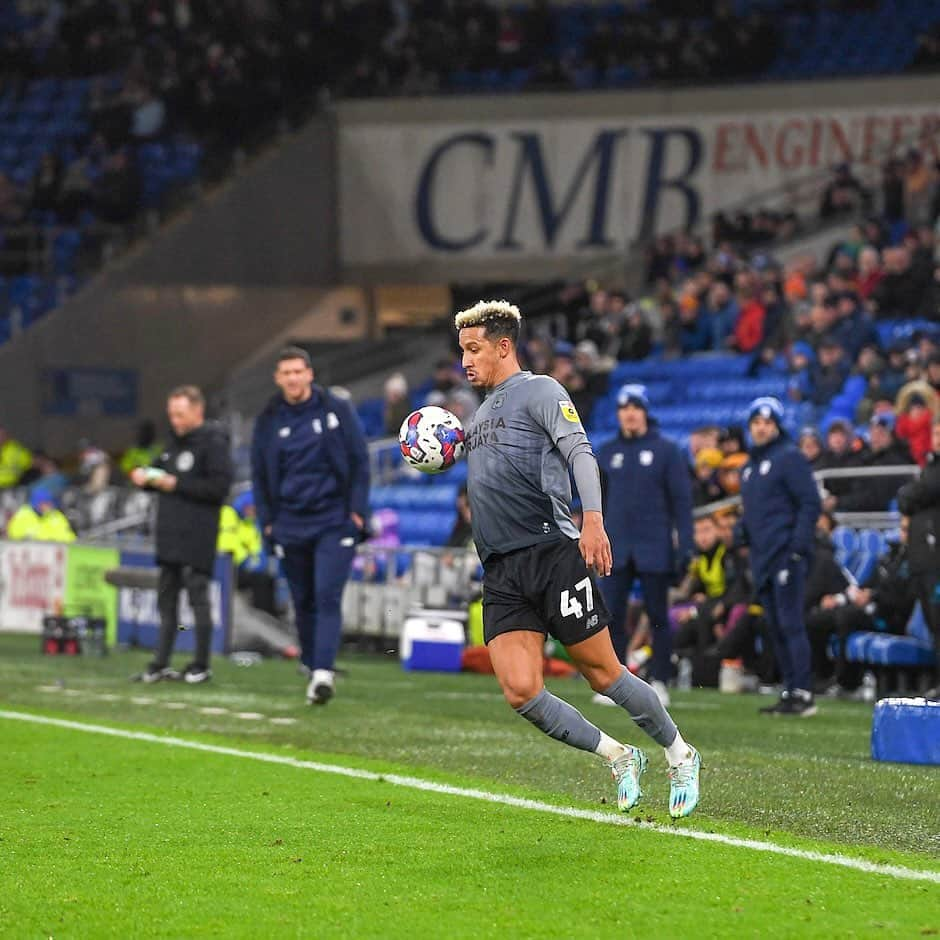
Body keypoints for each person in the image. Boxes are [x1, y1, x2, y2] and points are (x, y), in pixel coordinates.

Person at [456, 299, 700, 819]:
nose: (465, 362)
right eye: (462, 352)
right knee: (521, 691)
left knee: (604, 675)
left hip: (550, 552)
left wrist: (592, 520)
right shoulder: (478, 415)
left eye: (474, 350)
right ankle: (618, 754)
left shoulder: (541, 390)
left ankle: (680, 752)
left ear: (504, 346)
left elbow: (580, 452)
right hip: (501, 568)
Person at [251, 346, 370, 705]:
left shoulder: (336, 408)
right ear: (278, 378)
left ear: (309, 374)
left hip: (334, 519)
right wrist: (268, 522)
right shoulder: (269, 418)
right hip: (289, 522)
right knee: (301, 599)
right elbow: (259, 473)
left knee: (326, 595)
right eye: (285, 373)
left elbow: (360, 460)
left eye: (298, 371)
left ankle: (322, 673)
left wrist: (357, 512)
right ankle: (310, 661)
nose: (292, 378)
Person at [595, 384, 694, 706]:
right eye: (624, 408)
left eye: (636, 407)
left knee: (657, 616)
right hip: (617, 546)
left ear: (645, 412)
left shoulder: (667, 450)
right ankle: (615, 680)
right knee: (612, 614)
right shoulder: (607, 452)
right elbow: (596, 502)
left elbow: (682, 502)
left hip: (655, 545)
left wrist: (686, 546)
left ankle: (660, 679)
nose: (630, 414)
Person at [130, 385, 233, 684]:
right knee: (166, 602)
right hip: (170, 535)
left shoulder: (213, 444)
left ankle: (202, 663)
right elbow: (161, 474)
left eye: (180, 414)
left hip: (198, 534)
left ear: (197, 411)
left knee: (198, 600)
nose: (174, 420)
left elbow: (218, 489)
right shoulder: (172, 443)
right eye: (171, 414)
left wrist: (175, 484)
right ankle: (160, 662)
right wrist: (146, 477)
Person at [739, 397, 822, 716]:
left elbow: (809, 503)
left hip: (785, 554)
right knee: (775, 625)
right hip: (763, 557)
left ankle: (803, 691)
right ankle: (790, 689)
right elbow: (756, 512)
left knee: (790, 623)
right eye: (756, 423)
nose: (761, 428)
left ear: (777, 426)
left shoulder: (789, 458)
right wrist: (742, 532)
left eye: (767, 423)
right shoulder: (749, 467)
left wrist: (798, 548)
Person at [896, 418, 940, 698]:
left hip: (936, 561)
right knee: (935, 625)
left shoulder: (934, 471)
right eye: (935, 431)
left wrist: (908, 494)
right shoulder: (931, 466)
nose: (937, 436)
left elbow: (920, 492)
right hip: (923, 560)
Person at [6, 486, 76, 542]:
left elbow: (69, 537)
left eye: (49, 503)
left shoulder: (56, 516)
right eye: (44, 503)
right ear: (36, 503)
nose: (48, 506)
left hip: (52, 552)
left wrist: (49, 539)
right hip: (29, 552)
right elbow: (13, 534)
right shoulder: (23, 514)